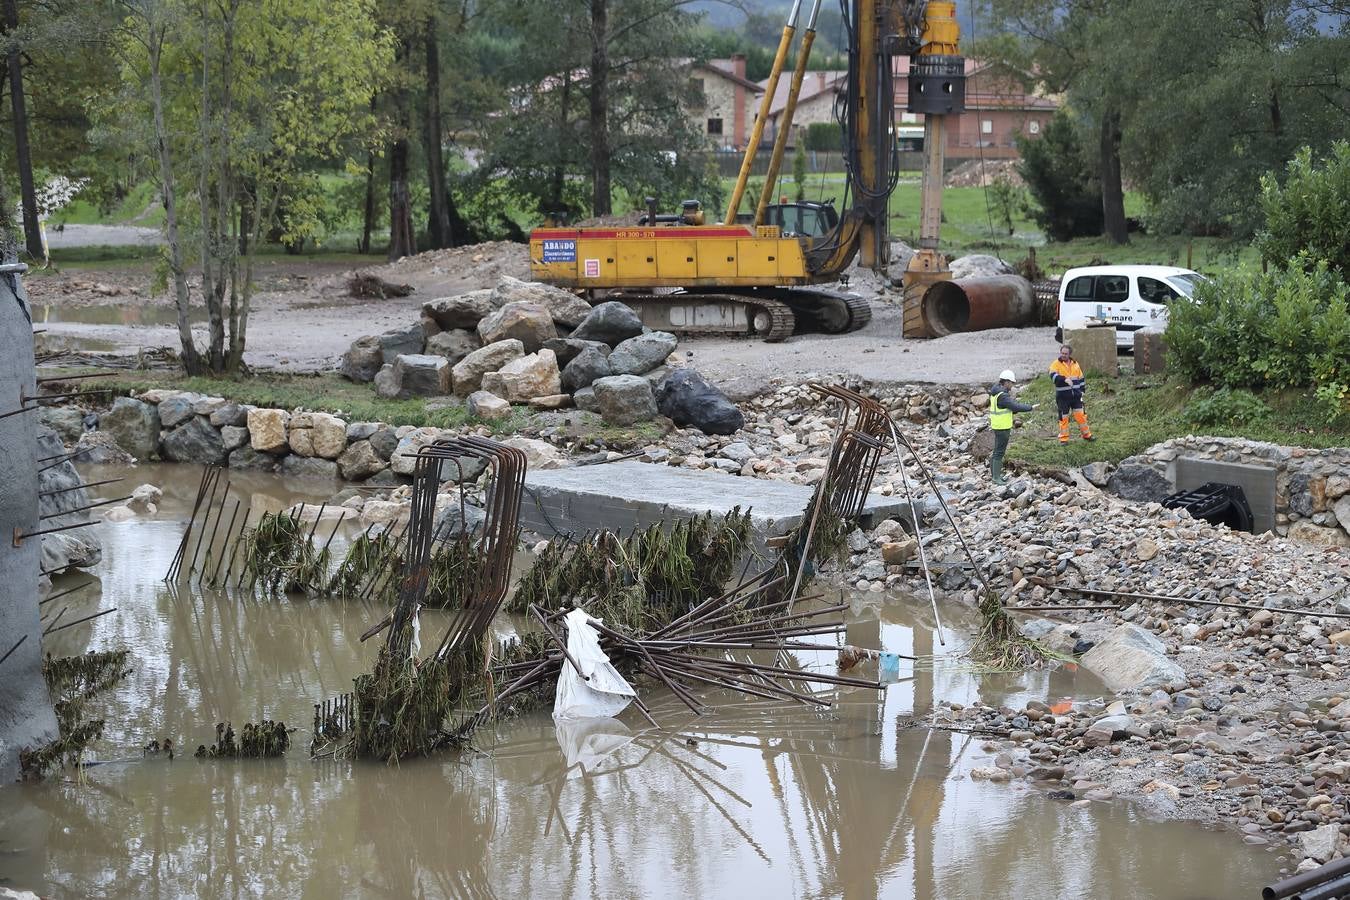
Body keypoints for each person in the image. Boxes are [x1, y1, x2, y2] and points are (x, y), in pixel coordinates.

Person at [989, 369, 1037, 485]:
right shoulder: (1003, 395)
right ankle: (996, 478)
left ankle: (996, 475)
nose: (1012, 385)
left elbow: (1006, 408)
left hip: (997, 425)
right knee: (999, 452)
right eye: (1012, 383)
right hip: (1002, 427)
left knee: (997, 451)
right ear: (1006, 382)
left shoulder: (996, 392)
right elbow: (1014, 406)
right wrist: (1031, 408)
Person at [1049, 344, 1094, 444]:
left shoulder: (1075, 364)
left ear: (1070, 354)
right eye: (1062, 353)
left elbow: (1081, 378)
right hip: (1063, 398)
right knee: (1064, 418)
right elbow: (1053, 376)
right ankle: (1063, 439)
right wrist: (1064, 379)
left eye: (1066, 354)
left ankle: (1087, 435)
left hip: (1076, 396)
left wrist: (1082, 391)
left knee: (1081, 416)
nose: (1063, 355)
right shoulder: (1055, 364)